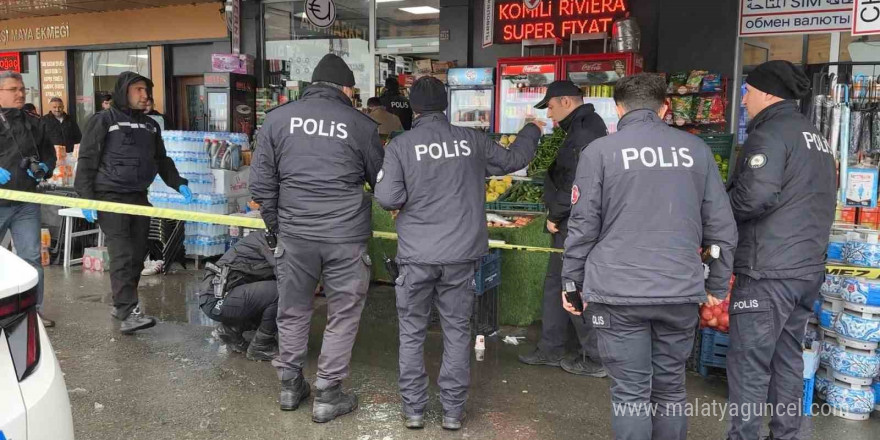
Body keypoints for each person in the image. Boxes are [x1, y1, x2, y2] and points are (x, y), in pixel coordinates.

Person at [561, 73, 737, 440]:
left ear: (618, 107)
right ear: (665, 107)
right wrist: (717, 284)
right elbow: (722, 225)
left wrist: (571, 284)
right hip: (679, 291)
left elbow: (582, 226)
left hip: (618, 293)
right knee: (671, 389)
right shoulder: (697, 151)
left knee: (630, 394)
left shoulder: (600, 153)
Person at [375, 76, 544, 431]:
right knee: (456, 331)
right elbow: (514, 159)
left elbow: (388, 198)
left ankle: (414, 411)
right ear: (446, 105)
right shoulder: (471, 140)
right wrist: (532, 128)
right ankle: (452, 411)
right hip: (461, 255)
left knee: (412, 332)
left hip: (417, 256)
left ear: (414, 108)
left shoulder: (401, 146)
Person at [249, 53, 384, 422]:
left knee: (292, 310)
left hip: (295, 235)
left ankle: (290, 386)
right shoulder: (360, 124)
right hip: (345, 236)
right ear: (344, 88)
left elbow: (261, 186)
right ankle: (328, 393)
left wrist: (278, 228)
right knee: (343, 312)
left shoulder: (276, 120)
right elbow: (381, 182)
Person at [725, 61, 836, 440]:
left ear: (768, 93)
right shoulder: (815, 137)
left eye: (748, 90)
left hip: (767, 271)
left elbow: (754, 196)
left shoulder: (770, 134)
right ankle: (787, 435)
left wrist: (718, 218)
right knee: (787, 358)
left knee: (749, 365)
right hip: (805, 271)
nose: (743, 98)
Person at [74, 72, 192, 335]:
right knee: (123, 255)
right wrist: (86, 197)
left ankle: (121, 305)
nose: (144, 95)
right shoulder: (103, 121)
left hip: (139, 197)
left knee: (138, 255)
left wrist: (178, 182)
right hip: (110, 198)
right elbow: (87, 160)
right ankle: (128, 311)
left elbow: (161, 160)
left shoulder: (151, 125)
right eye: (138, 89)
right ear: (123, 92)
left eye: (146, 90)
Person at [518, 80, 608, 377]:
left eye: (552, 106)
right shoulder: (587, 125)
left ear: (566, 102)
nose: (551, 114)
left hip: (574, 223)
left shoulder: (582, 132)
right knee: (560, 283)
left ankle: (593, 357)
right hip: (580, 221)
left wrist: (556, 214)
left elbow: (574, 182)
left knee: (569, 285)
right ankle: (554, 347)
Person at [0, 71, 56, 327]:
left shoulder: (34, 122)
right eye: (13, 89)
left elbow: (49, 155)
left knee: (31, 258)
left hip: (26, 202)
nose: (20, 93)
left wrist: (45, 166)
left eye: (22, 89)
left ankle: (33, 312)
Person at [198, 231, 279, 362]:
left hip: (223, 296)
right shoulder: (271, 244)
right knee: (283, 292)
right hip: (217, 300)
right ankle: (261, 346)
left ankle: (231, 329)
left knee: (271, 291)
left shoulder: (272, 240)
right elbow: (287, 278)